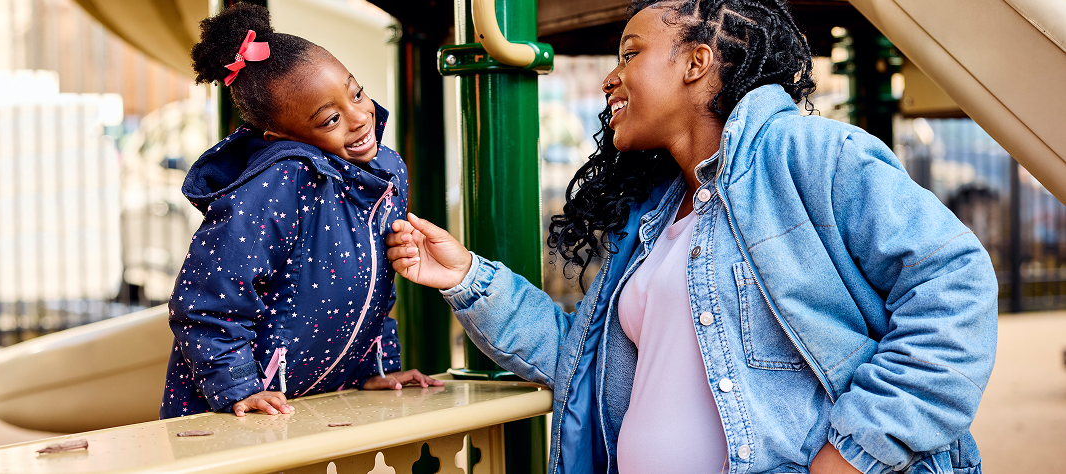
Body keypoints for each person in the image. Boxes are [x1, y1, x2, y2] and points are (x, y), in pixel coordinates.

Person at [386, 1, 997, 473]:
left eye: (630, 53)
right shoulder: (655, 217)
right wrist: (467, 277)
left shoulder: (808, 154)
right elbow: (583, 357)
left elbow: (955, 290)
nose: (610, 79)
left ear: (696, 63)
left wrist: (850, 456)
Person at [160, 2, 441, 420]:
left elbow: (375, 291)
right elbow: (206, 298)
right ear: (280, 136)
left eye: (357, 92)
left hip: (311, 405)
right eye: (330, 120)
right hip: (229, 414)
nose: (360, 117)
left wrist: (375, 369)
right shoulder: (278, 185)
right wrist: (238, 387)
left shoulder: (386, 172)